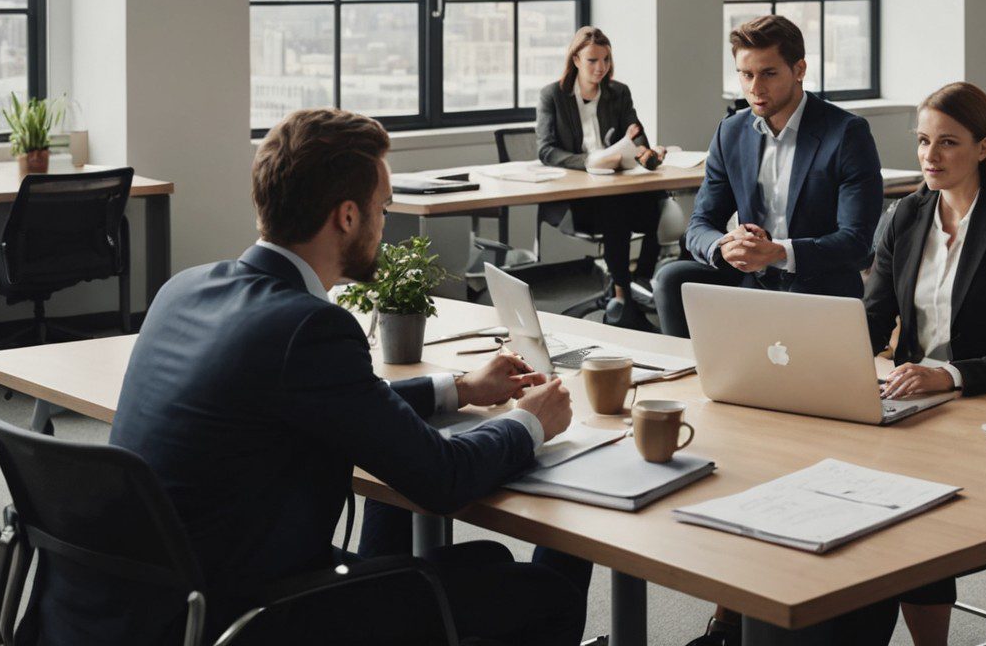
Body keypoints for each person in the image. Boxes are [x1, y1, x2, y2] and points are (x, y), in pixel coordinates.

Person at [31, 108, 590, 645]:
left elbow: (332, 402)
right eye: (381, 206)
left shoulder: (185, 288)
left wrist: (457, 388)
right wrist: (528, 423)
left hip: (147, 604)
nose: (383, 222)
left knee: (483, 564)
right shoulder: (309, 327)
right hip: (252, 616)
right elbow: (441, 479)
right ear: (346, 216)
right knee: (543, 592)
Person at [864, 82, 986, 646]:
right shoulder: (906, 216)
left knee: (916, 519)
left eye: (947, 142)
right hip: (913, 404)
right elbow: (873, 321)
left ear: (983, 147)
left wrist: (946, 374)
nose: (930, 156)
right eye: (923, 141)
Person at [651, 13, 884, 339]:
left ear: (799, 70)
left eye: (768, 74)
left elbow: (857, 243)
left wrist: (779, 251)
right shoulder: (730, 132)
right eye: (746, 75)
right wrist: (724, 246)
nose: (755, 87)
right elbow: (699, 227)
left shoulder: (846, 134)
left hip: (816, 282)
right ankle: (689, 379)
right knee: (672, 278)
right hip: (749, 277)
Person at [535, 25, 668, 331]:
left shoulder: (617, 93)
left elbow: (637, 138)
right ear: (576, 60)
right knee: (615, 210)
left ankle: (638, 280)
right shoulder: (553, 95)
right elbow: (546, 151)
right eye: (593, 60)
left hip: (619, 188)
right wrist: (592, 161)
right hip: (579, 199)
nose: (601, 67)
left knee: (661, 200)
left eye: (606, 60)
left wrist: (649, 154)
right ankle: (623, 297)